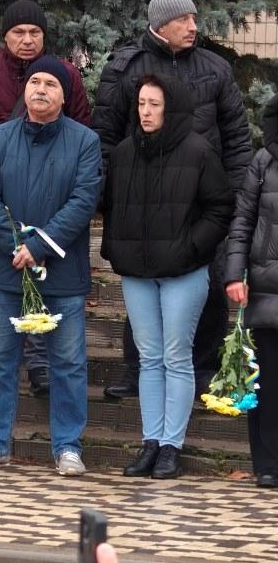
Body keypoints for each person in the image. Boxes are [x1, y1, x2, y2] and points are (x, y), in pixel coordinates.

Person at [93, 0, 252, 399]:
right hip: (144, 204)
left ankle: (203, 368)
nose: (193, 26)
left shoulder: (215, 69)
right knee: (143, 285)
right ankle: (137, 371)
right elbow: (106, 138)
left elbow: (236, 139)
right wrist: (110, 199)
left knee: (210, 285)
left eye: (194, 18)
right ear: (161, 24)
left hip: (203, 205)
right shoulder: (127, 69)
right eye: (184, 19)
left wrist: (234, 200)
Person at [0, 0, 91, 396]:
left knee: (42, 271)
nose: (27, 40)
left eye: (35, 33)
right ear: (4, 37)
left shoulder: (67, 76)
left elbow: (82, 126)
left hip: (50, 187)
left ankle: (41, 366)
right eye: (18, 33)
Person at [0, 56, 100, 476]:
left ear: (64, 95)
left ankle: (67, 446)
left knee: (68, 362)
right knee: (1, 359)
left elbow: (84, 200)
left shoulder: (85, 142)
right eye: (35, 82)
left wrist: (39, 246)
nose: (41, 89)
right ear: (25, 90)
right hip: (8, 271)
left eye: (51, 85)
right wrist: (18, 246)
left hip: (62, 272)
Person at [101, 74, 232, 479]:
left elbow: (220, 208)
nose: (145, 111)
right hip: (138, 274)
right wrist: (118, 248)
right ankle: (151, 442)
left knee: (177, 357)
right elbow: (111, 206)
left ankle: (172, 446)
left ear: (171, 107)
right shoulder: (124, 153)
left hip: (183, 274)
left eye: (154, 104)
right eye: (141, 103)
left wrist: (191, 248)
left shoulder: (199, 152)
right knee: (149, 357)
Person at [223, 94, 278, 489]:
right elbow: (241, 221)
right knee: (270, 381)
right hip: (267, 288)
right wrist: (233, 275)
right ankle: (268, 462)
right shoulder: (264, 161)